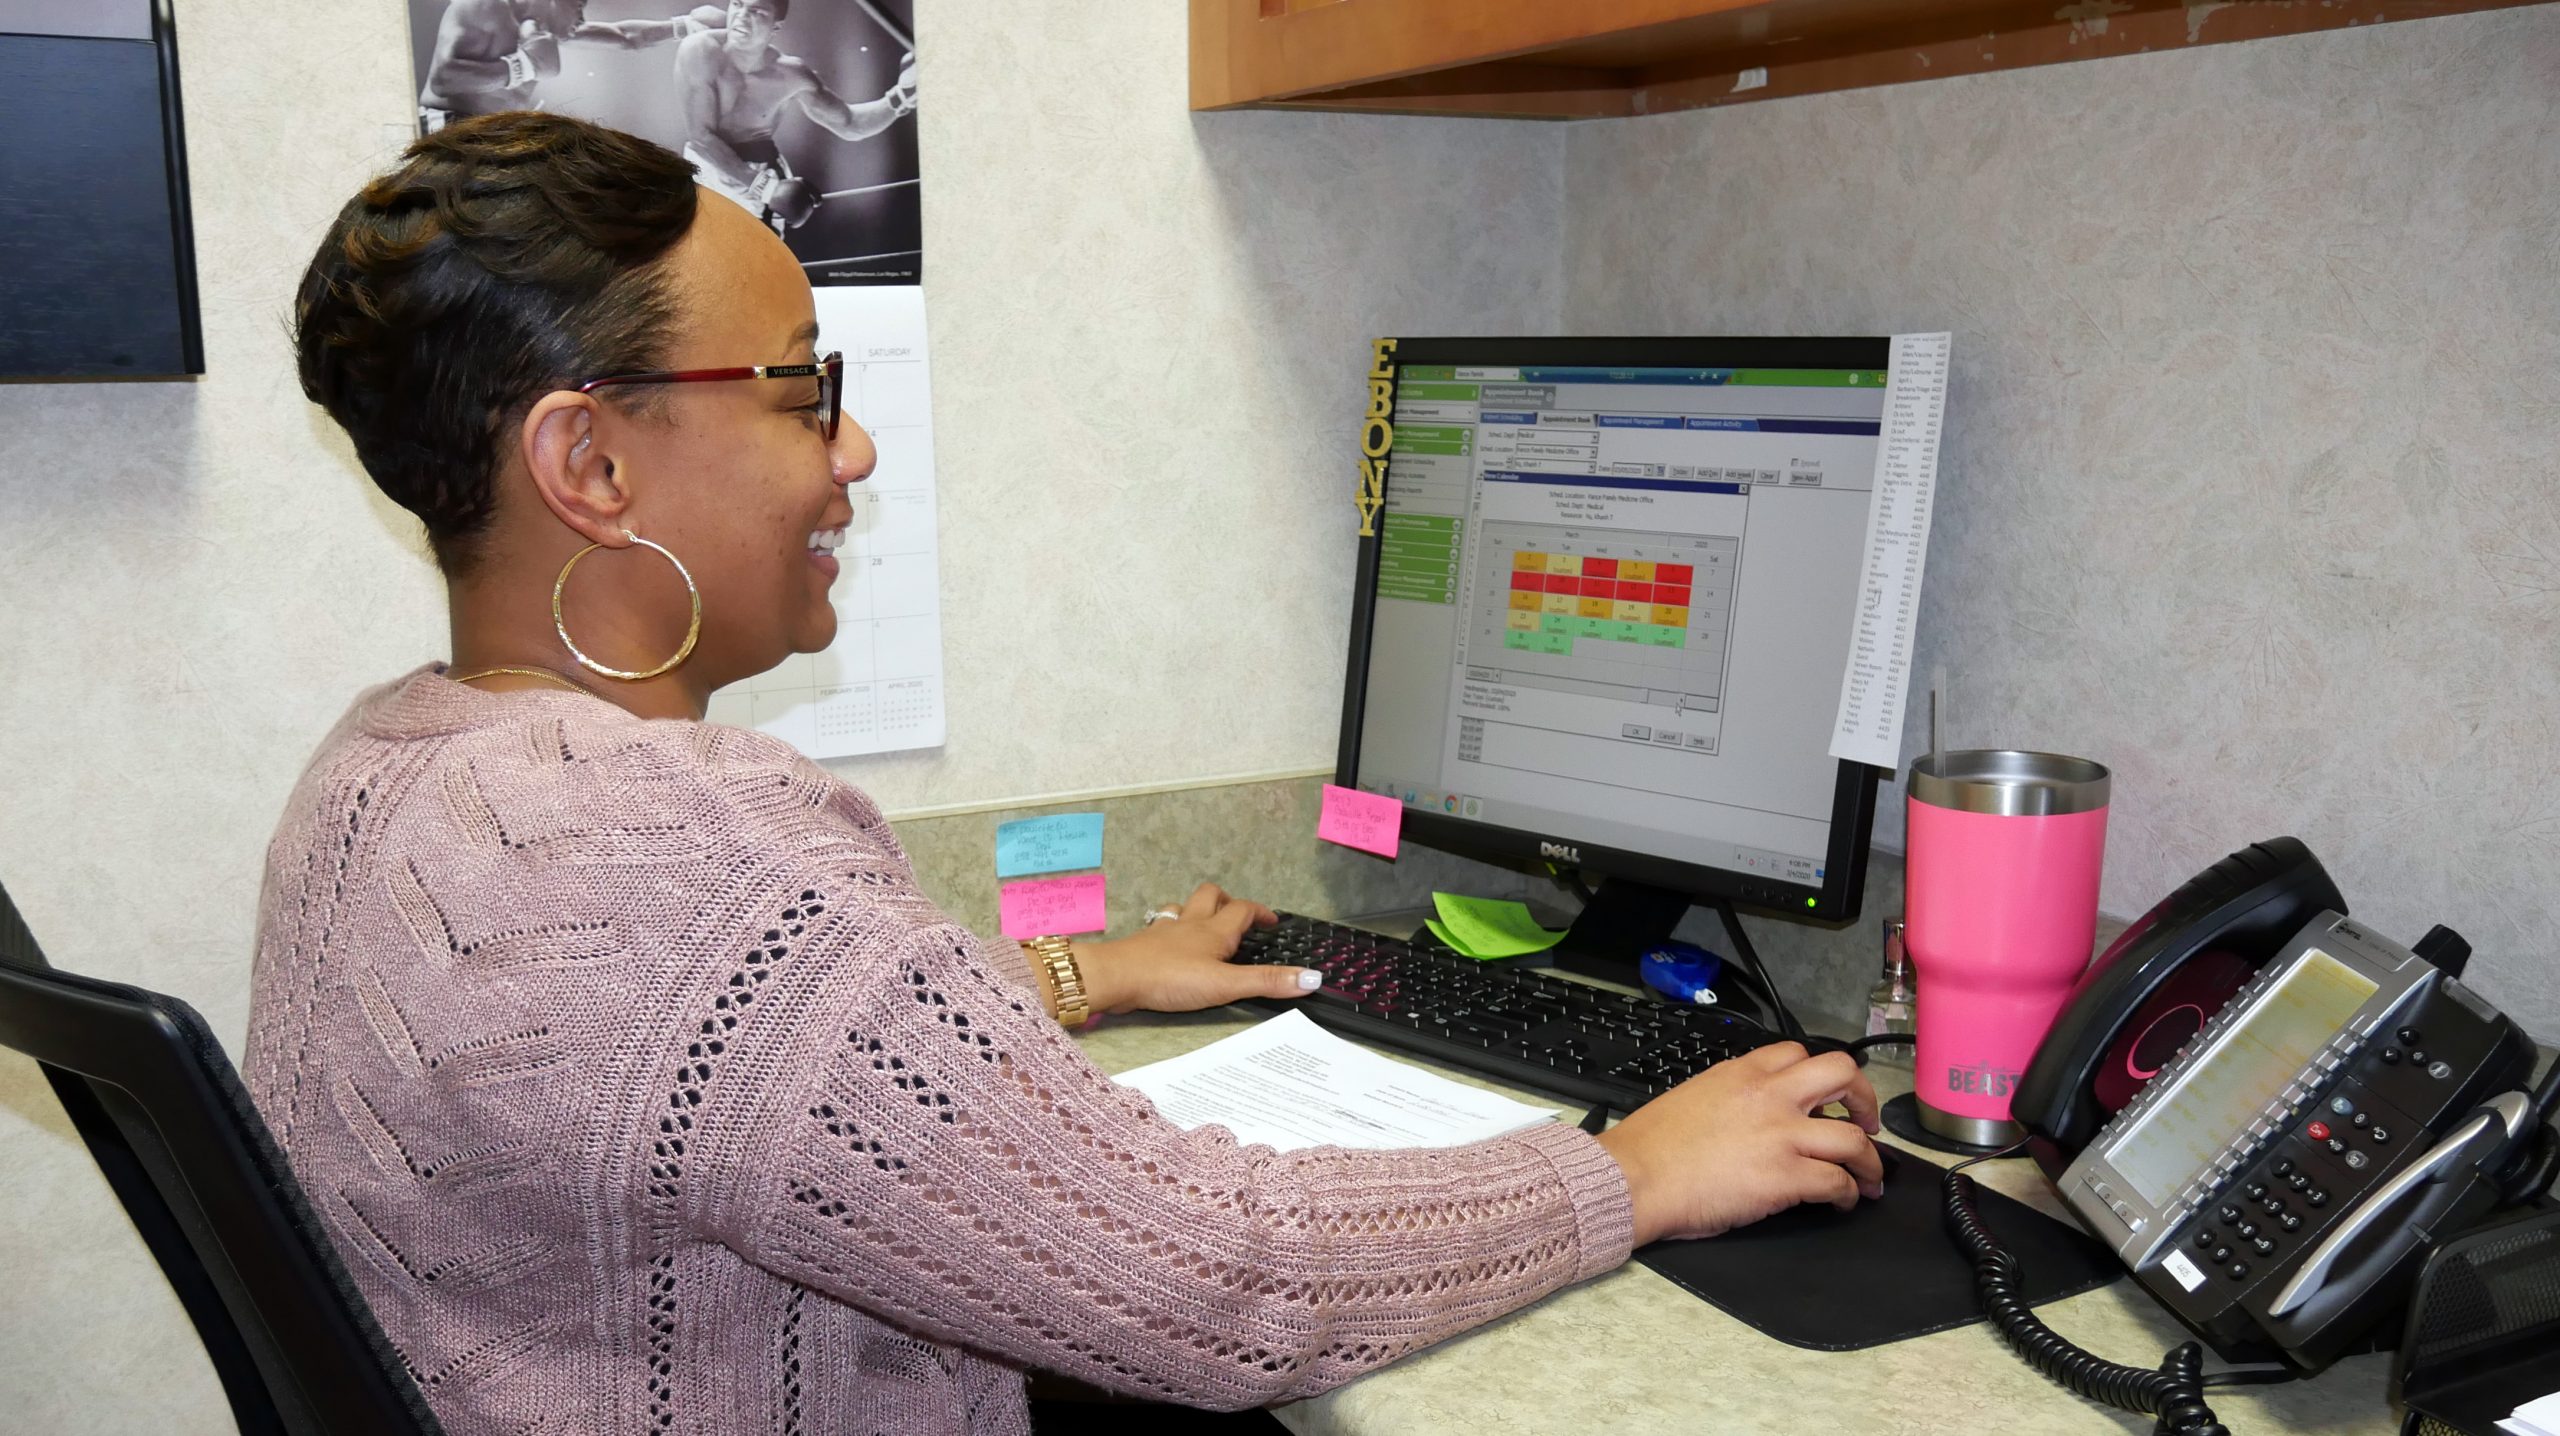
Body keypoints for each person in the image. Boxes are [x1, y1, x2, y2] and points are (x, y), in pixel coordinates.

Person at [253, 111, 1884, 1436]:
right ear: (590, 464)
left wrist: (1082, 974)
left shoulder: (386, 771)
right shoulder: (678, 846)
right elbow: (1218, 1284)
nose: (851, 450)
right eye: (804, 388)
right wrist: (1630, 1171)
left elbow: (679, 1078)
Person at [675, 0, 916, 232]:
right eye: (737, 4)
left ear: (775, 26)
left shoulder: (791, 74)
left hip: (758, 171)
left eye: (757, 12)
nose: (742, 16)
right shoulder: (700, 50)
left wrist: (901, 97)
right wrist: (766, 189)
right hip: (708, 167)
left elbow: (850, 124)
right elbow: (701, 137)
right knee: (693, 252)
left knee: (757, 256)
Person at [416, 0, 700, 131]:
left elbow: (625, 36)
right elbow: (442, 80)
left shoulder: (543, 31)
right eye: (579, 6)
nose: (581, 19)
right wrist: (524, 66)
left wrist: (685, 26)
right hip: (446, 128)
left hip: (493, 133)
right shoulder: (484, 6)